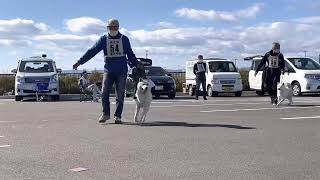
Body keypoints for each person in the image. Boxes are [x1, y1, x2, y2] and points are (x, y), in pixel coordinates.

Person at [73, 18, 144, 124]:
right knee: (104, 92)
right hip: (108, 71)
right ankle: (105, 114)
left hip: (121, 71)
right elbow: (92, 51)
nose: (113, 29)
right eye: (110, 27)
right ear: (107, 28)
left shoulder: (124, 39)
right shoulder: (104, 39)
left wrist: (137, 64)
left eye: (115, 27)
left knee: (120, 95)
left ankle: (118, 116)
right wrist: (80, 62)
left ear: (118, 28)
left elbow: (130, 54)